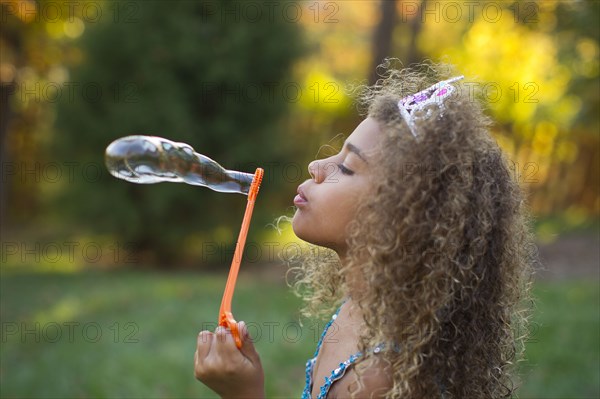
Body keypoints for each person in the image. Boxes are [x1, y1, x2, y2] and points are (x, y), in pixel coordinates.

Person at [193, 61, 537, 398]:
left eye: (346, 166)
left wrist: (243, 394)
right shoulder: (362, 308)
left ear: (399, 218)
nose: (316, 166)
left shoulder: (377, 379)